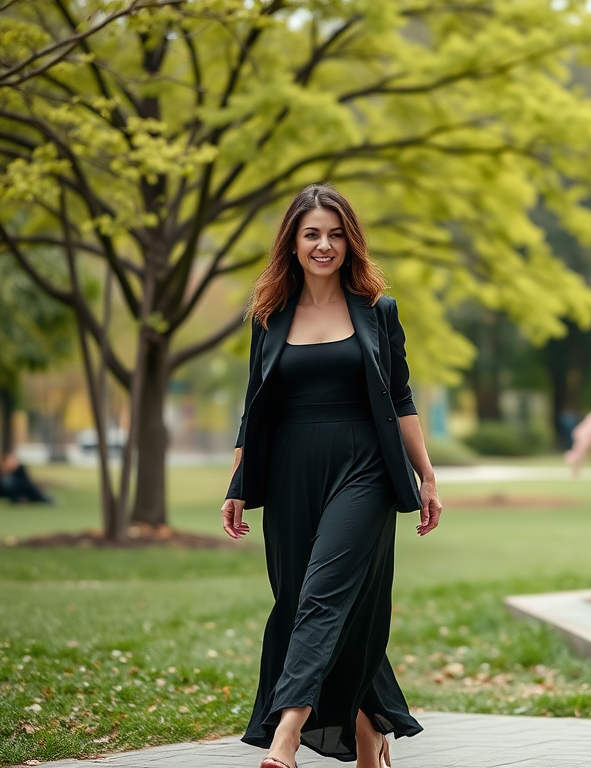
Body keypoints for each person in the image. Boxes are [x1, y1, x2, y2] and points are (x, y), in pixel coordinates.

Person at [222, 183, 442, 768]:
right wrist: (239, 482)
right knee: (306, 602)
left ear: (351, 242)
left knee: (324, 593)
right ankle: (370, 734)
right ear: (292, 244)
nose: (325, 245)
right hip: (292, 468)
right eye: (312, 234)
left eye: (336, 234)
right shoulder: (268, 318)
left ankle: (285, 733)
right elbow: (255, 404)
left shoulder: (377, 312)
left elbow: (400, 399)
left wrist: (426, 475)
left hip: (364, 466)